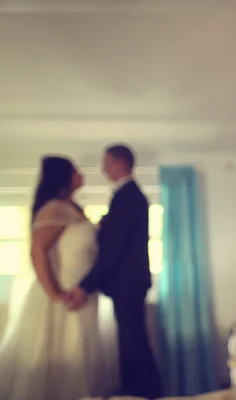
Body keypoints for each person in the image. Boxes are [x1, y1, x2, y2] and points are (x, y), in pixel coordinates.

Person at [0, 156, 118, 400]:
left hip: (83, 291)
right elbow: (37, 252)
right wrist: (54, 293)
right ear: (64, 176)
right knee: (64, 347)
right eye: (76, 170)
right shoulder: (54, 208)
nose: (81, 174)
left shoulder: (73, 207)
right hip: (65, 292)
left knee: (81, 348)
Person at [66, 144, 163, 398]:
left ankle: (142, 393)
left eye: (106, 162)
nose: (103, 168)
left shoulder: (127, 196)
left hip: (127, 283)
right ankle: (138, 392)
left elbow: (115, 249)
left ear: (120, 163)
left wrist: (85, 285)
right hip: (131, 282)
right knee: (132, 341)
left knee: (133, 343)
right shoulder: (129, 195)